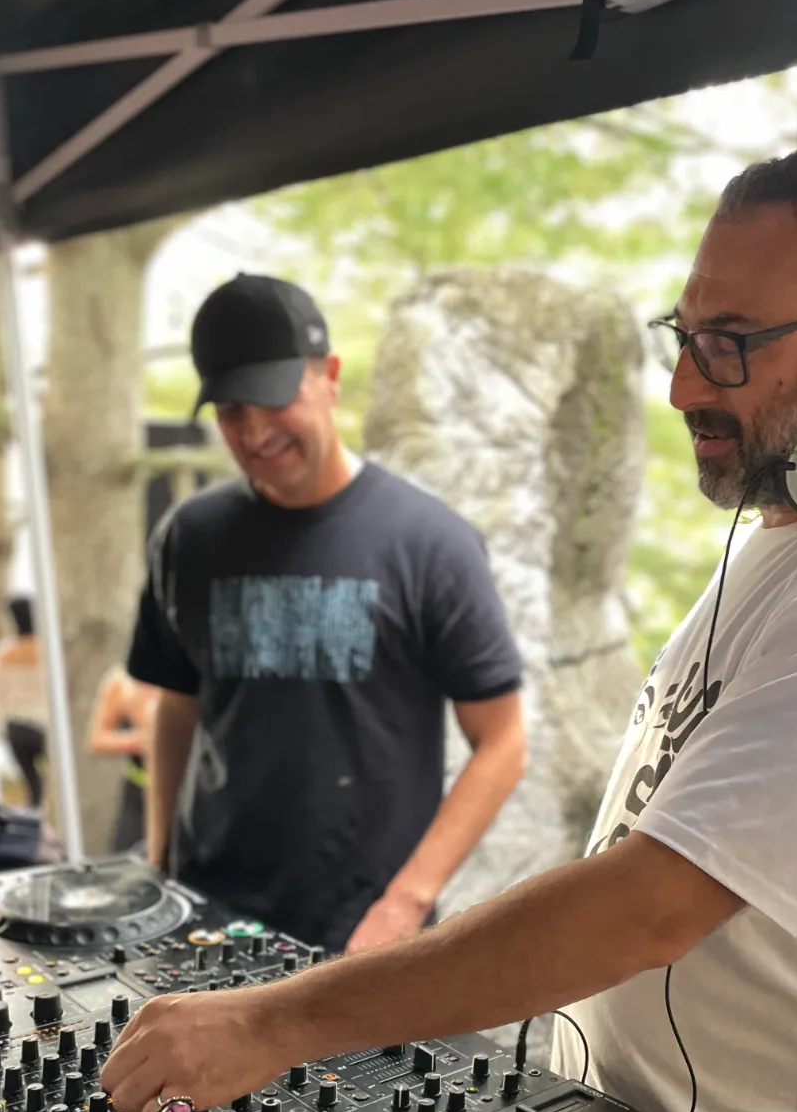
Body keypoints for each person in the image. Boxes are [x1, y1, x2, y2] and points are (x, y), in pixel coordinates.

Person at [104, 145, 797, 1112]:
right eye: (686, 338)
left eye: (732, 344)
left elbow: (647, 904)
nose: (685, 385)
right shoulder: (788, 540)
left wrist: (276, 1022)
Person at [126, 274, 526, 953]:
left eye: (272, 400)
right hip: (207, 917)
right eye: (230, 411)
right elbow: (177, 705)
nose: (253, 432)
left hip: (361, 934)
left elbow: (503, 742)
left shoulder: (431, 543)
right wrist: (160, 858)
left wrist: (405, 905)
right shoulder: (187, 538)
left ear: (329, 376)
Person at [87, 666, 158, 852]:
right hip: (138, 792)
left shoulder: (185, 677)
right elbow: (97, 740)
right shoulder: (121, 682)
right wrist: (139, 740)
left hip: (180, 791)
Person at [0, 596, 47, 809]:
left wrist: (0, 728)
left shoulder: (3, 655)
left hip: (16, 727)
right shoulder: (45, 651)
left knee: (32, 786)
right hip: (42, 725)